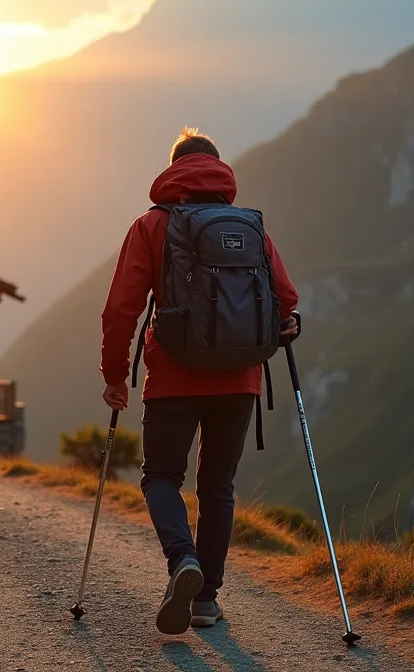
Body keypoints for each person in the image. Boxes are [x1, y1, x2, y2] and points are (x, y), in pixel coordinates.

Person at [100, 129, 300, 634]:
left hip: (173, 376)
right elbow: (286, 300)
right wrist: (286, 327)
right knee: (217, 487)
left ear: (172, 170)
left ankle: (182, 561)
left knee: (162, 476)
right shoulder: (249, 225)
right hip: (240, 378)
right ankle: (207, 599)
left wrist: (115, 376)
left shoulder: (151, 225)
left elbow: (120, 309)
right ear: (218, 170)